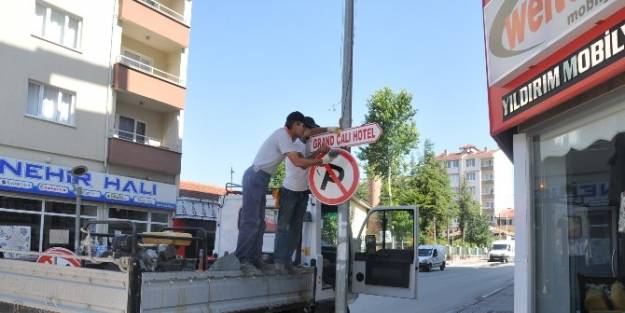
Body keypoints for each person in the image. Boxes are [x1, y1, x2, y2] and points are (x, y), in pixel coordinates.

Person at [235, 111, 334, 275]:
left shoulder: (290, 139)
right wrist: (322, 160)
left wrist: (331, 129)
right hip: (255, 175)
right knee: (251, 220)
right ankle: (243, 260)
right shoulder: (283, 136)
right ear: (295, 125)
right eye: (302, 126)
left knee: (260, 223)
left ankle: (255, 260)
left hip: (262, 178)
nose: (304, 131)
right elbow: (299, 162)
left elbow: (311, 133)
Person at [273, 117, 338, 274]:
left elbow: (309, 159)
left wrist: (330, 130)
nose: (311, 133)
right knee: (284, 228)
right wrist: (322, 154)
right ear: (303, 129)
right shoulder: (293, 143)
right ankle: (279, 262)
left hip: (302, 192)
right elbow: (302, 164)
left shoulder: (307, 143)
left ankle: (288, 262)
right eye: (309, 130)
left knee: (295, 229)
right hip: (289, 191)